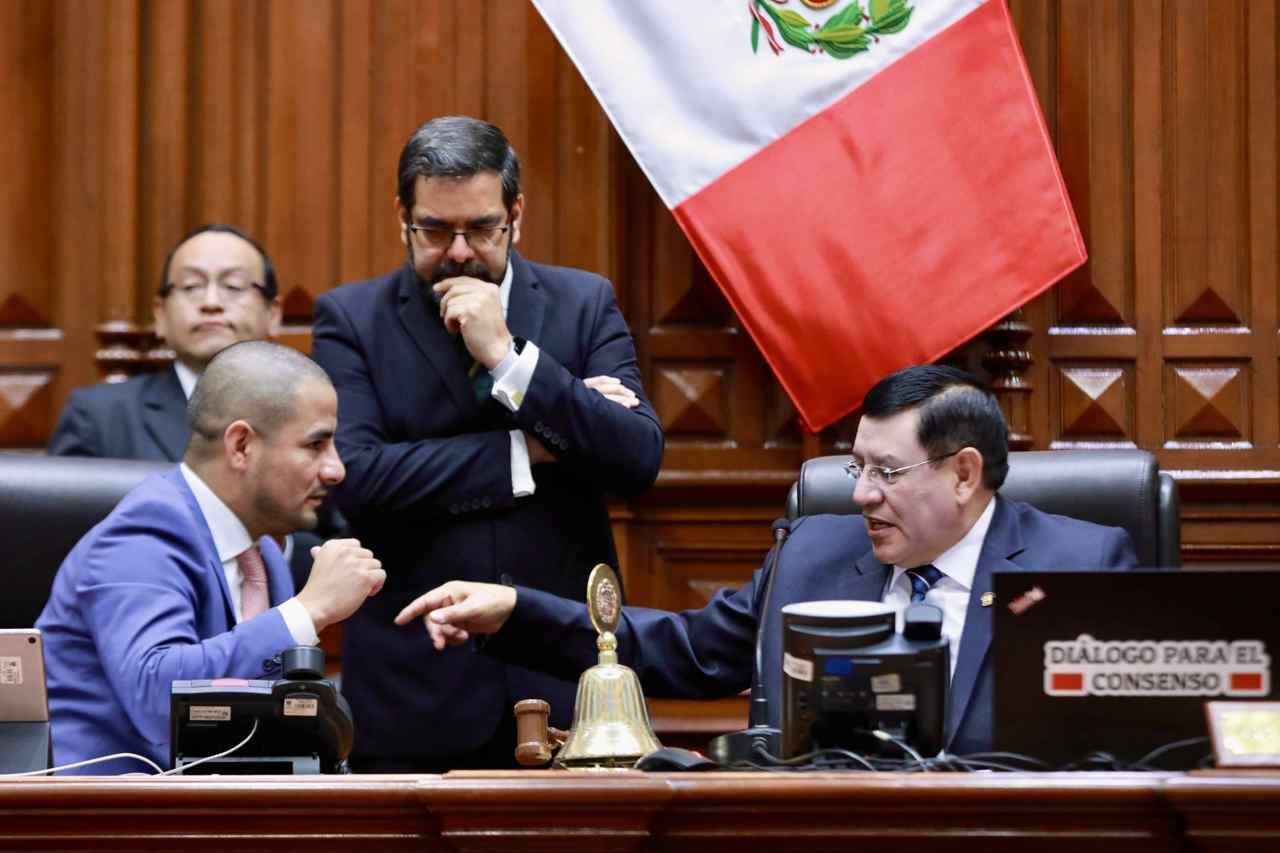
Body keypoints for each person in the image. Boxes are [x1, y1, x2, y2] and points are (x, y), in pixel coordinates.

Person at [396, 365, 1137, 757]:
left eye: (887, 472)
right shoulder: (812, 552)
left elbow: (1133, 750)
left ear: (965, 474)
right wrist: (517, 611)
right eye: (857, 469)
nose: (862, 495)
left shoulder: (1080, 564)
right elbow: (684, 649)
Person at [312, 116, 663, 770]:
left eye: (481, 228)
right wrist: (533, 447)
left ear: (515, 215)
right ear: (402, 217)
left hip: (563, 675)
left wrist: (509, 359)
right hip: (415, 687)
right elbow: (357, 479)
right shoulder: (352, 319)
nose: (458, 252)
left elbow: (636, 458)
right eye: (434, 230)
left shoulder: (583, 303)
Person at [36, 341, 386, 775]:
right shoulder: (144, 534)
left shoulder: (263, 555)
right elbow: (159, 698)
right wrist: (308, 610)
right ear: (241, 445)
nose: (336, 469)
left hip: (206, 805)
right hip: (98, 809)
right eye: (316, 444)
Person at [48, 223, 282, 461]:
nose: (211, 302)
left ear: (273, 315)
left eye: (233, 286)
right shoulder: (99, 417)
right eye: (191, 286)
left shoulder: (301, 415)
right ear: (160, 315)